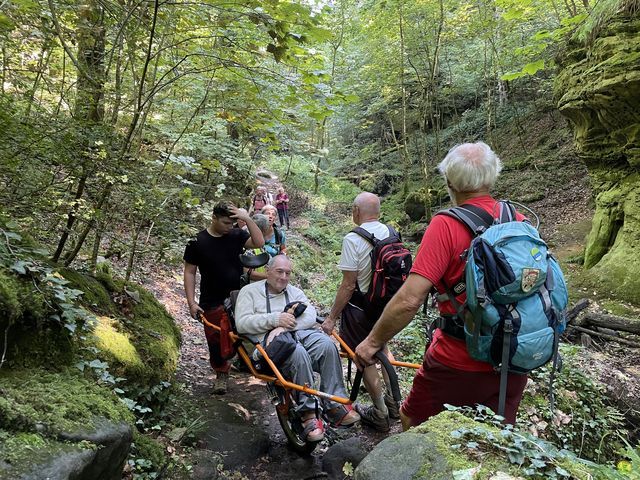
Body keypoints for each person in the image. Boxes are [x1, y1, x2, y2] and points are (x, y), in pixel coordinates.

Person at [354, 142, 528, 430]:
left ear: (449, 182)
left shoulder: (446, 225)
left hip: (458, 359)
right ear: (493, 175)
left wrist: (371, 343)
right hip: (515, 356)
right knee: (493, 435)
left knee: (412, 419)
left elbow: (410, 299)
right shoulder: (518, 220)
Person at [235, 255, 360, 441]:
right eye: (279, 271)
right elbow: (242, 323)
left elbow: (310, 315)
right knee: (297, 352)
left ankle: (334, 403)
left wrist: (284, 326)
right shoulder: (249, 292)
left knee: (326, 344)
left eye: (288, 273)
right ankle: (308, 413)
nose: (284, 277)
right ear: (268, 271)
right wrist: (274, 320)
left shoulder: (295, 292)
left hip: (296, 334)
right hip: (267, 344)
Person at [322, 192, 399, 432]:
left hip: (359, 309)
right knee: (383, 348)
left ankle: (380, 413)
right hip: (387, 306)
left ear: (356, 210)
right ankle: (396, 403)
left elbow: (348, 284)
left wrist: (332, 317)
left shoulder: (352, 239)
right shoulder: (391, 232)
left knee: (364, 359)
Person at [183, 202, 265, 395]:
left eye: (232, 223)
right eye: (226, 223)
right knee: (214, 338)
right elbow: (190, 272)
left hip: (237, 296)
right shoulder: (197, 241)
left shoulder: (236, 235)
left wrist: (246, 218)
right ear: (214, 218)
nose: (229, 227)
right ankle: (221, 373)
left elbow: (259, 242)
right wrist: (191, 302)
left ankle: (243, 362)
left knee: (240, 333)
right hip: (210, 298)